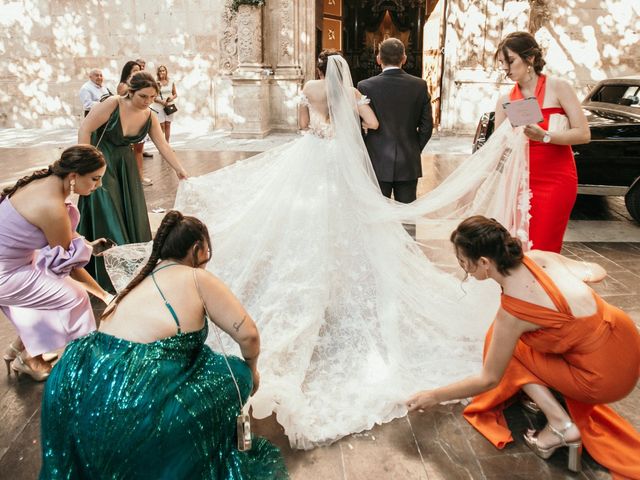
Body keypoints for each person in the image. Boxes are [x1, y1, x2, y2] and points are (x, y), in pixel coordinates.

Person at [106, 52, 532, 449]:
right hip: (338, 164)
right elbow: (370, 125)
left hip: (310, 159)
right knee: (343, 229)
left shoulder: (310, 90)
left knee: (301, 226)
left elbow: (304, 124)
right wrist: (356, 109)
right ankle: (339, 289)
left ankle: (312, 287)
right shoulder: (350, 92)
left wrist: (324, 123)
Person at [40, 211, 289, 479]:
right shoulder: (196, 278)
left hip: (83, 376)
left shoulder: (140, 277)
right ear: (197, 249)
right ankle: (188, 456)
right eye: (208, 251)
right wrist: (252, 370)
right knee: (236, 374)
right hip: (139, 391)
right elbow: (248, 335)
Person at [407, 216, 640, 478]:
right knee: (516, 336)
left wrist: (434, 395)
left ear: (484, 262)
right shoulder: (541, 258)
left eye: (464, 263)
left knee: (509, 347)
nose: (465, 271)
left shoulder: (514, 313)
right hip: (625, 339)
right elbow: (597, 270)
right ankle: (550, 397)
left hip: (604, 379)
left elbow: (488, 380)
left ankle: (560, 425)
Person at [0, 145, 110, 381]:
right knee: (75, 297)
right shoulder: (52, 206)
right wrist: (105, 295)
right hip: (5, 274)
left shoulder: (47, 181)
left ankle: (27, 355)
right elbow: (68, 267)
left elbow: (60, 238)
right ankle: (85, 366)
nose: (98, 185)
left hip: (15, 263)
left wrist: (86, 244)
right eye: (94, 179)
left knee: (48, 283)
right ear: (73, 176)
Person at [78, 71, 188, 292]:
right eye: (143, 96)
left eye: (151, 97)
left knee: (129, 209)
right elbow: (85, 129)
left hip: (125, 165)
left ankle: (132, 266)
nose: (147, 102)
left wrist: (180, 170)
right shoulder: (112, 103)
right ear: (131, 91)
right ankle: (112, 269)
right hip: (101, 160)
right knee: (107, 206)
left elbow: (163, 145)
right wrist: (85, 164)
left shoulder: (149, 115)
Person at [494, 32, 590, 252]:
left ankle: (543, 286)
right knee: (516, 246)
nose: (506, 68)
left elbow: (584, 134)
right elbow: (499, 149)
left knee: (544, 247)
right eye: (502, 63)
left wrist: (546, 136)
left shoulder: (559, 87)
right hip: (518, 180)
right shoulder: (505, 101)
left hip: (555, 178)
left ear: (530, 59)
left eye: (510, 61)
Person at [357, 38, 433, 204]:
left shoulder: (365, 86)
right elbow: (427, 126)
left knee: (377, 214)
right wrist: (414, 148)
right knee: (407, 215)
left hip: (376, 160)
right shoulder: (420, 85)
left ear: (378, 59)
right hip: (408, 161)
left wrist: (368, 150)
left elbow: (357, 125)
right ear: (404, 59)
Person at [117, 60, 153, 186]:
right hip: (127, 123)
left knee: (139, 151)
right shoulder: (123, 85)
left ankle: (140, 176)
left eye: (140, 70)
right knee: (129, 152)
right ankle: (131, 178)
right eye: (135, 70)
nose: (138, 72)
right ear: (128, 72)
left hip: (139, 120)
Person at [152, 64, 178, 142]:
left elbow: (175, 94)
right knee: (162, 126)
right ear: (158, 72)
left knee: (168, 124)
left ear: (166, 71)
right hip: (159, 106)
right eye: (160, 71)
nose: (162, 72)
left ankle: (167, 145)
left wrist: (171, 98)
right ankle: (162, 144)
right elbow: (153, 97)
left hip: (169, 105)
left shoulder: (171, 81)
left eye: (163, 70)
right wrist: (161, 102)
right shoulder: (156, 82)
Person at [136, 57, 155, 160]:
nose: (142, 67)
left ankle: (141, 150)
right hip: (134, 109)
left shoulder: (145, 77)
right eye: (140, 65)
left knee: (143, 131)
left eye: (143, 66)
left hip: (144, 108)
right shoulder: (132, 79)